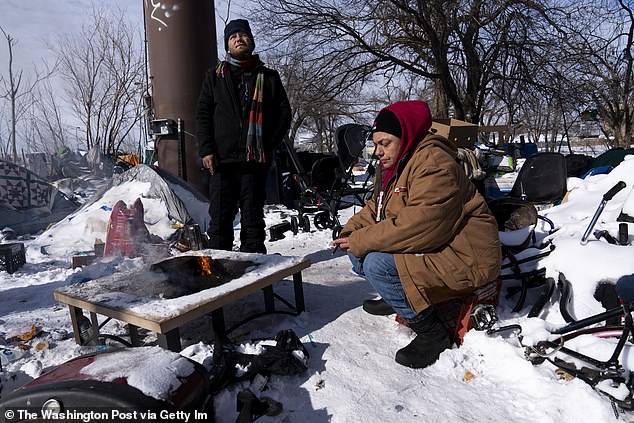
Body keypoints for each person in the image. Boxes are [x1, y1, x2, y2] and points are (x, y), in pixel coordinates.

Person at [332, 100, 501, 369]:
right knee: (357, 254)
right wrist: (350, 232)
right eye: (375, 145)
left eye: (385, 143)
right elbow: (377, 207)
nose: (378, 152)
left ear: (406, 135)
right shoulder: (400, 164)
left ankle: (432, 334)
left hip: (466, 257)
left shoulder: (434, 163)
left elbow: (421, 227)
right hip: (441, 246)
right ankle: (398, 298)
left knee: (378, 265)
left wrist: (360, 240)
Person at [196, 19, 292, 253]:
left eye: (243, 35)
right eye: (233, 36)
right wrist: (207, 150)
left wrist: (268, 145)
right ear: (228, 46)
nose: (239, 39)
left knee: (252, 219)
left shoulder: (268, 77)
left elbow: (284, 113)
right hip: (222, 161)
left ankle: (254, 273)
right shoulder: (214, 77)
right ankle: (219, 270)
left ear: (251, 40)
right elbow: (203, 115)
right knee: (219, 220)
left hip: (254, 162)